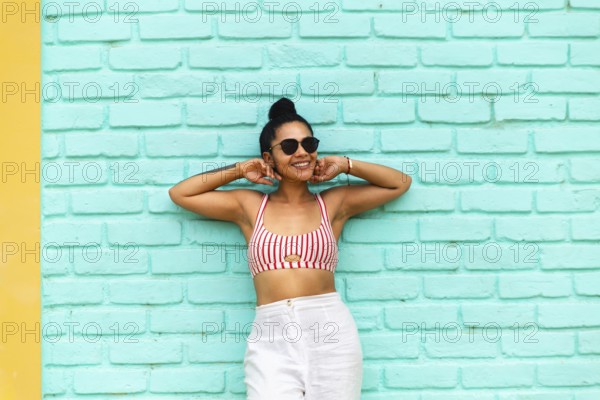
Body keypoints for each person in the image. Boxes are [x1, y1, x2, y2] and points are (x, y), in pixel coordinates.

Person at [168, 97, 412, 399]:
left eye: (308, 144)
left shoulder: (333, 203)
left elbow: (400, 183)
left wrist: (346, 165)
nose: (301, 153)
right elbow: (181, 194)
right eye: (289, 146)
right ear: (268, 157)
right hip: (271, 334)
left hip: (329, 330)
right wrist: (241, 170)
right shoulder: (250, 206)